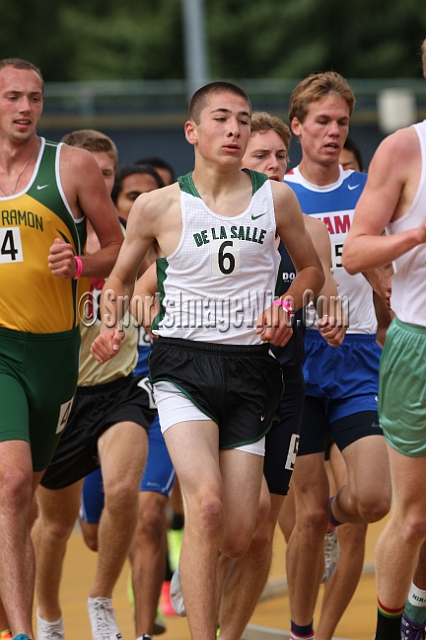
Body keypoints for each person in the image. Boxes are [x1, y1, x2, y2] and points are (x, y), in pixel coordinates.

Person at [90, 81, 325, 640]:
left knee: (241, 536)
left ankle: (194, 580)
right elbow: (120, 278)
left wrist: (286, 305)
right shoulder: (157, 205)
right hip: (182, 369)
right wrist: (109, 323)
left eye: (243, 119)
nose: (235, 129)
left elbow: (312, 273)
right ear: (193, 131)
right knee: (208, 505)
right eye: (222, 118)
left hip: (252, 370)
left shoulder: (277, 200)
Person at [211, 111, 346, 640]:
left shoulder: (302, 225)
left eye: (279, 156)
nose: (272, 165)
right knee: (226, 521)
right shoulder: (210, 220)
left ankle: (227, 632)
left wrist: (328, 318)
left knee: (265, 524)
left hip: (286, 389)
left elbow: (324, 294)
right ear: (237, 159)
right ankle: (201, 589)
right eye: (259, 156)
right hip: (222, 386)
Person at [0, 59, 122, 640]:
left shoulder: (71, 166)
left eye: (34, 98)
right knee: (13, 485)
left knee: (22, 507)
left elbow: (118, 247)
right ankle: (24, 633)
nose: (24, 108)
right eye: (12, 97)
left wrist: (78, 263)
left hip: (55, 356)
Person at [31, 129, 154, 640]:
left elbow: (151, 291)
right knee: (57, 526)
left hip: (118, 389)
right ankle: (48, 615)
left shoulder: (131, 239)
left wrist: (126, 323)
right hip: (62, 394)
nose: (100, 184)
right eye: (93, 175)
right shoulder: (51, 237)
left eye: (108, 175)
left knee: (126, 488)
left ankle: (102, 600)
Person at [283, 71, 392, 640]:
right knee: (300, 513)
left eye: (342, 122)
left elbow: (389, 265)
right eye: (321, 121)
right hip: (296, 362)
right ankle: (307, 634)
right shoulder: (276, 195)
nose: (332, 131)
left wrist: (387, 286)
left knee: (373, 498)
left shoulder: (369, 188)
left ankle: (331, 515)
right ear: (297, 126)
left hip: (357, 360)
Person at [342, 37, 426, 640]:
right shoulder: (405, 148)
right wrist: (416, 234)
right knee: (414, 516)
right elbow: (354, 251)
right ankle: (390, 631)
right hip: (419, 344)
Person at [77, 160, 175, 640]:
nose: (137, 203)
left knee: (148, 512)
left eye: (147, 195)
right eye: (128, 195)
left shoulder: (175, 253)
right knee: (98, 532)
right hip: (103, 396)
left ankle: (141, 626)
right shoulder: (110, 255)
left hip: (159, 400)